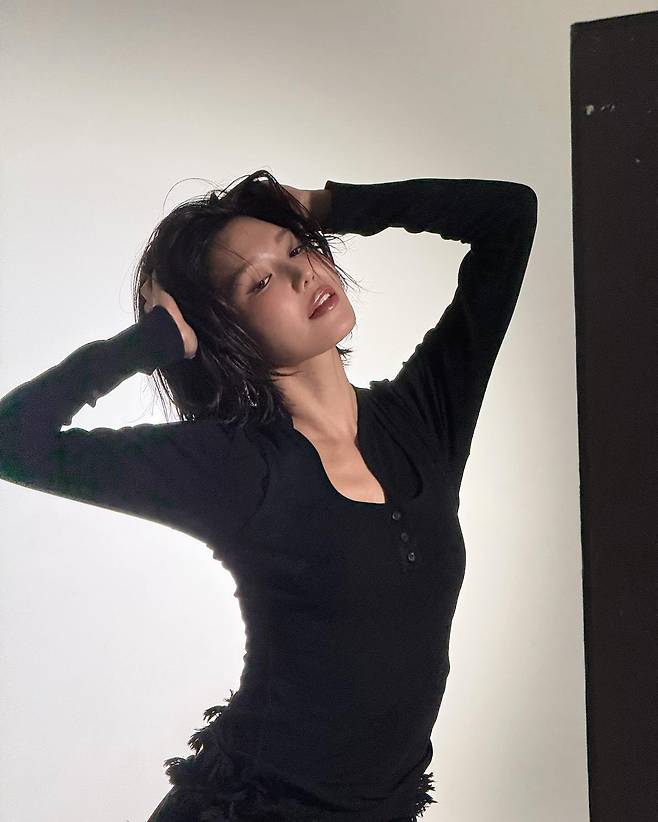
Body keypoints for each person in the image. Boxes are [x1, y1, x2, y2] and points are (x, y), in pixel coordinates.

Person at [0, 170, 538, 821]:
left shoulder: (425, 419)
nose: (301, 274)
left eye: (296, 249)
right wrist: (151, 342)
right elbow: (13, 442)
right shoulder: (232, 466)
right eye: (259, 282)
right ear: (223, 328)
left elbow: (509, 216)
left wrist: (329, 206)